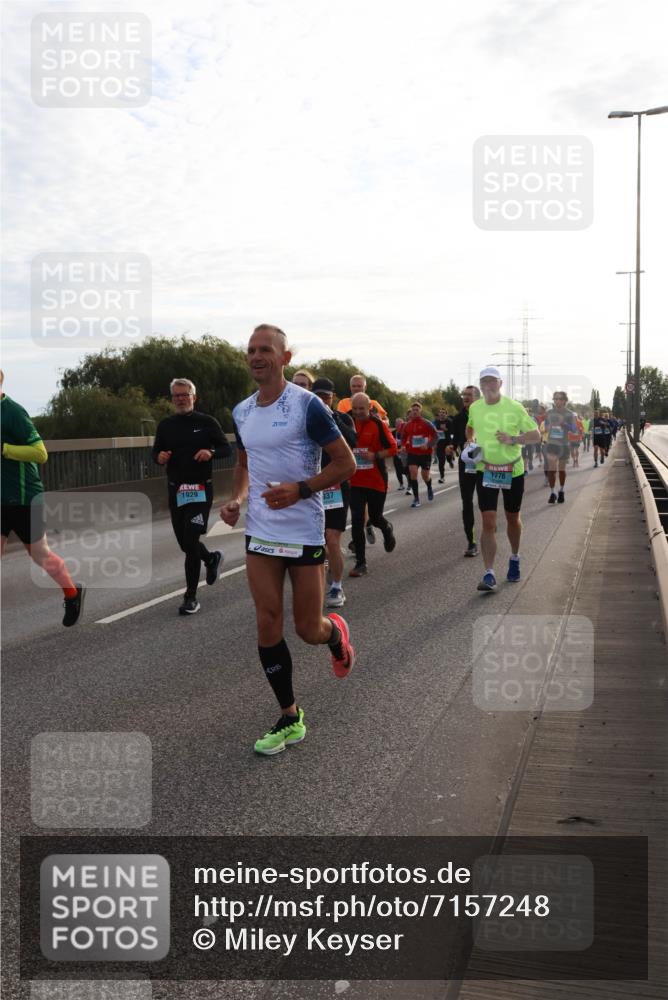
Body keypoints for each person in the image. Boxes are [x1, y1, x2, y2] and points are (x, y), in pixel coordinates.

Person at [220, 324, 356, 756]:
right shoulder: (241, 412)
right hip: (260, 530)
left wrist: (301, 489)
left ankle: (334, 635)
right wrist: (237, 498)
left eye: (266, 350)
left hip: (302, 530)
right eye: (251, 350)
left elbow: (346, 463)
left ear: (285, 357)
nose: (257, 356)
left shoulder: (307, 406)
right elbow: (245, 464)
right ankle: (290, 716)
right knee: (267, 620)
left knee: (306, 628)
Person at [0, 371, 84, 626]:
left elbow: (40, 453)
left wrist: (4, 449)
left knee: (40, 555)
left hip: (25, 498)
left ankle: (72, 593)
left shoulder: (13, 412)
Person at [153, 378, 231, 615]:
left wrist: (211, 452)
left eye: (184, 395)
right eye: (176, 395)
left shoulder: (206, 422)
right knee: (186, 544)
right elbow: (155, 452)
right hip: (176, 490)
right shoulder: (166, 425)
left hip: (199, 490)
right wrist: (160, 458)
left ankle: (190, 597)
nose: (180, 399)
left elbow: (226, 449)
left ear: (193, 397)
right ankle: (210, 558)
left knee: (190, 540)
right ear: (172, 398)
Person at [466, 366, 541, 592]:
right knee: (488, 521)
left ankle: (515, 557)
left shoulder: (514, 407)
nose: (488, 385)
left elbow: (536, 435)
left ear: (500, 384)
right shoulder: (475, 407)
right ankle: (489, 573)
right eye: (484, 382)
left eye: (492, 381)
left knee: (512, 518)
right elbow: (470, 428)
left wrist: (513, 439)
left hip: (512, 470)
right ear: (480, 386)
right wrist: (471, 442)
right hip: (485, 469)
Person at [311, 377, 357, 608]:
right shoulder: (305, 417)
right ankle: (329, 562)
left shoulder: (343, 418)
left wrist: (332, 418)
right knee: (317, 541)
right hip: (311, 485)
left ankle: (337, 587)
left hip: (337, 486)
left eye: (326, 397)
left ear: (333, 398)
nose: (322, 400)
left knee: (331, 536)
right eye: (318, 396)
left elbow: (352, 441)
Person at [347, 393, 398, 577]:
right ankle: (361, 563)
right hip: (355, 481)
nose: (359, 412)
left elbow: (393, 449)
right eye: (356, 408)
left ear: (369, 408)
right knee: (357, 520)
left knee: (375, 518)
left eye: (362, 408)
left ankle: (386, 529)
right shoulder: (348, 423)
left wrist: (375, 455)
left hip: (376, 480)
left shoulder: (378, 424)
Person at [446, 385, 481, 556]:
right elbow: (455, 439)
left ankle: (489, 527)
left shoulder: (486, 416)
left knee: (485, 501)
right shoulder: (458, 419)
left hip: (485, 463)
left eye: (469, 395)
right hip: (467, 464)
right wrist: (451, 447)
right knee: (467, 502)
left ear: (478, 398)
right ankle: (471, 542)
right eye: (464, 394)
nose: (465, 397)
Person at [543, 391, 579, 504]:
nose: (557, 401)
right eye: (555, 399)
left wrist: (564, 424)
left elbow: (574, 430)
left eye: (560, 399)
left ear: (564, 401)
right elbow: (546, 426)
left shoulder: (570, 414)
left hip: (563, 445)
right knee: (551, 469)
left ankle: (561, 490)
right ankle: (553, 493)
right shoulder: (549, 413)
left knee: (561, 470)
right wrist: (549, 427)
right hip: (552, 444)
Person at [402, 402, 437, 507]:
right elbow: (403, 438)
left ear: (420, 411)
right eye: (413, 410)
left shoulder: (427, 423)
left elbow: (436, 436)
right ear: (411, 411)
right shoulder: (407, 425)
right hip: (412, 453)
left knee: (425, 476)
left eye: (417, 410)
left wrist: (428, 444)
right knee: (413, 473)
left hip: (425, 453)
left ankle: (429, 487)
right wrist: (403, 446)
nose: (415, 412)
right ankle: (416, 499)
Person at [433, 408, 454, 482]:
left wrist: (451, 443)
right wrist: (434, 443)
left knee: (448, 457)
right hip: (439, 444)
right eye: (440, 412)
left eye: (443, 412)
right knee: (441, 461)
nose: (441, 414)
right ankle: (442, 477)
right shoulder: (436, 422)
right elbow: (434, 433)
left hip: (448, 443)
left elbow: (452, 433)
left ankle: (450, 460)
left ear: (446, 414)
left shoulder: (449, 422)